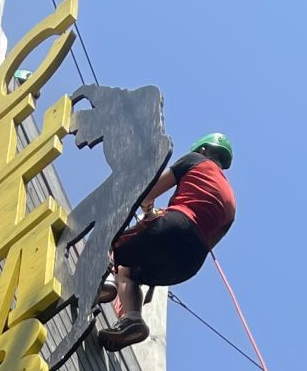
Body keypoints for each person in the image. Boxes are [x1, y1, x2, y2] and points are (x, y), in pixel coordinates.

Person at [98, 132, 236, 351]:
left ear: (202, 150)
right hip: (188, 264)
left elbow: (147, 191)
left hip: (175, 226)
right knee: (128, 271)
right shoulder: (232, 205)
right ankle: (132, 319)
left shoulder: (195, 161)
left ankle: (103, 282)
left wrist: (148, 211)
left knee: (109, 242)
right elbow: (211, 242)